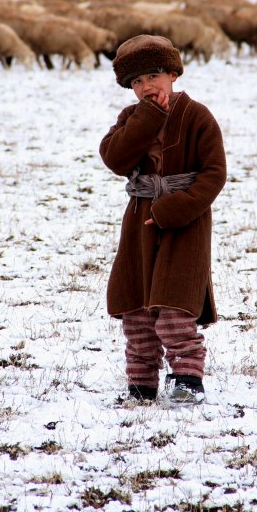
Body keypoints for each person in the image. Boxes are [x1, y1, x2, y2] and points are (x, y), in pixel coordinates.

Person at [99, 34, 227, 405]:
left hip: (184, 223)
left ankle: (187, 380)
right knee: (136, 309)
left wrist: (171, 211)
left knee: (175, 307)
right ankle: (141, 386)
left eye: (153, 75)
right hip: (139, 221)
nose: (146, 86)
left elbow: (214, 174)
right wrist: (147, 116)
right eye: (136, 81)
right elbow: (115, 159)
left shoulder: (197, 115)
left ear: (173, 73)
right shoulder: (131, 117)